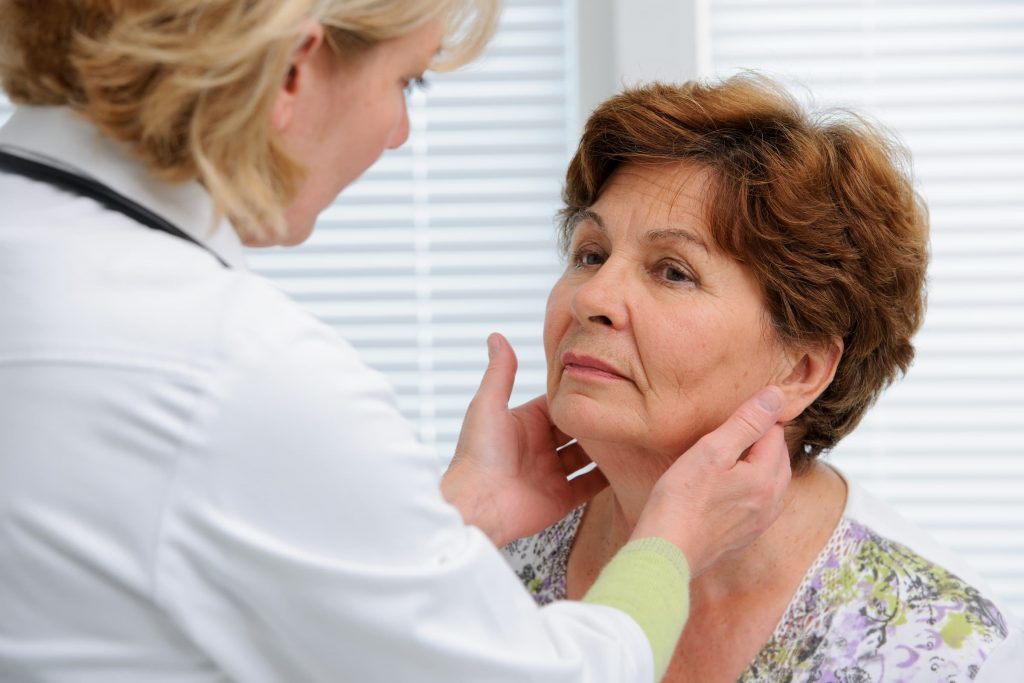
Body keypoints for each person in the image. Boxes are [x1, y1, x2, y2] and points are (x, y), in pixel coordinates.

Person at [0, 2, 793, 682]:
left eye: (674, 272)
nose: (398, 131)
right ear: (293, 70)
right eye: (404, 81)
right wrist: (668, 547)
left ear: (805, 365)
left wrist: (466, 512)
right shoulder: (234, 373)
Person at [502, 75, 1024, 682]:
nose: (593, 296)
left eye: (672, 272)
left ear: (802, 369)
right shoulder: (483, 551)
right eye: (590, 253)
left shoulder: (940, 641)